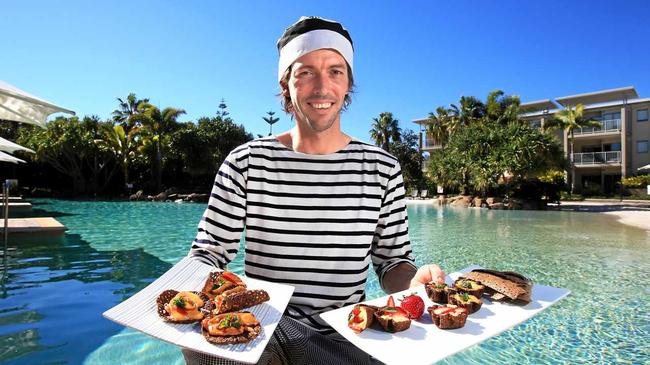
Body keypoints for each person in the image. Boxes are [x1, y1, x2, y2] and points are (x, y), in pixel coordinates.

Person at [186, 16, 445, 365]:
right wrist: (183, 296)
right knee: (206, 352)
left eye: (335, 71)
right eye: (306, 72)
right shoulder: (246, 162)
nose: (322, 87)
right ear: (286, 85)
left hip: (344, 334)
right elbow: (209, 253)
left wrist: (415, 281)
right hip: (265, 326)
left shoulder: (382, 168)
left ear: (348, 84)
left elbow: (391, 263)